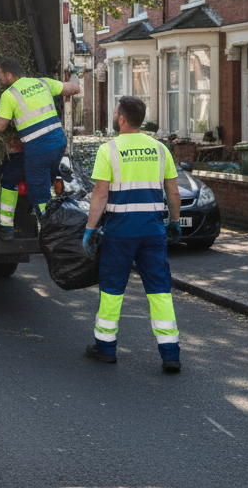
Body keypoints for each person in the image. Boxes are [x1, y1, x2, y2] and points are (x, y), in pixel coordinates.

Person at [81, 95, 184, 373]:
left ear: (122, 118)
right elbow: (173, 192)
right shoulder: (160, 149)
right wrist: (174, 222)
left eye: (116, 113)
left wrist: (90, 230)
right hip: (152, 232)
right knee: (160, 289)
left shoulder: (109, 150)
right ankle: (170, 354)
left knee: (113, 289)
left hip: (120, 232)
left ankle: (105, 348)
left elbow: (100, 195)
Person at [0, 58, 80, 239]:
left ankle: (51, 234)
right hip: (58, 143)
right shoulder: (42, 82)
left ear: (9, 74)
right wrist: (74, 73)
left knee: (39, 195)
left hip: (39, 150)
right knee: (10, 174)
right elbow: (74, 88)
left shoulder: (9, 95)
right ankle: (4, 226)